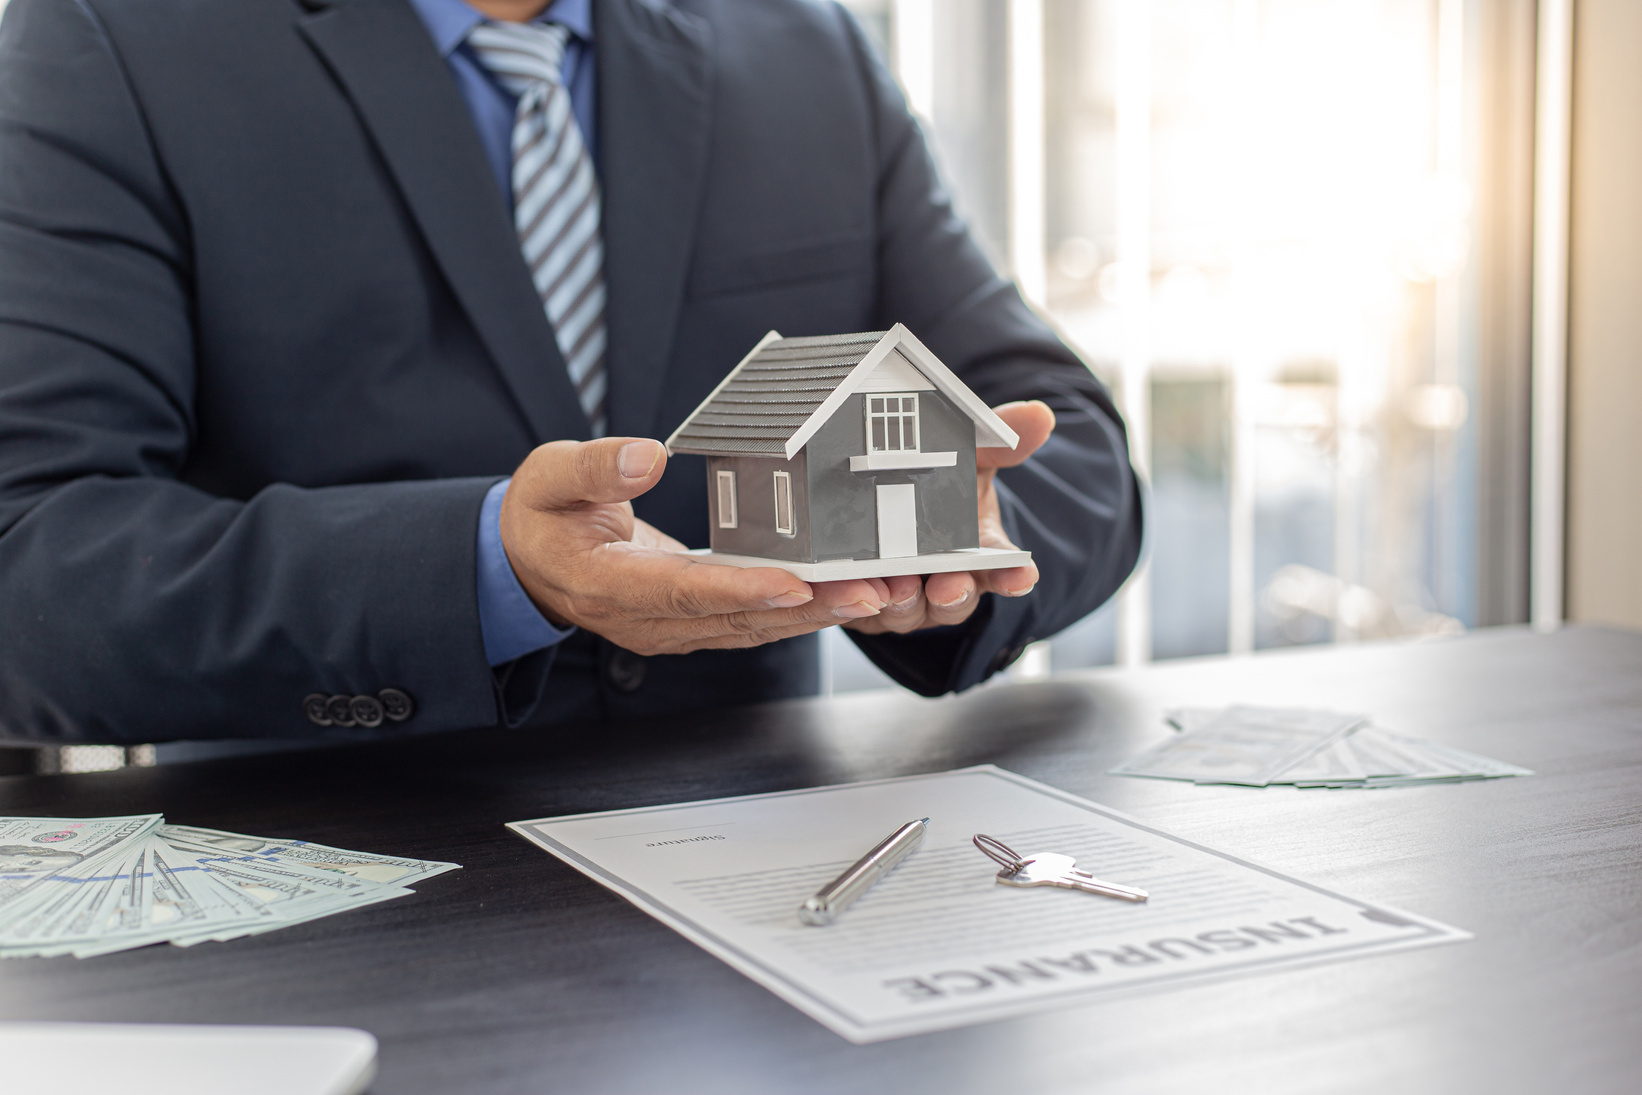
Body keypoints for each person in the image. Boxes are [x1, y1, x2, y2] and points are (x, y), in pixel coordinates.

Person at [0, 0, 1142, 745]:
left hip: (774, 889)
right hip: (338, 900)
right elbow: (33, 569)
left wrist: (936, 535)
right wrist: (488, 572)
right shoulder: (113, 42)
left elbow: (1076, 452)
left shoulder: (804, 46)